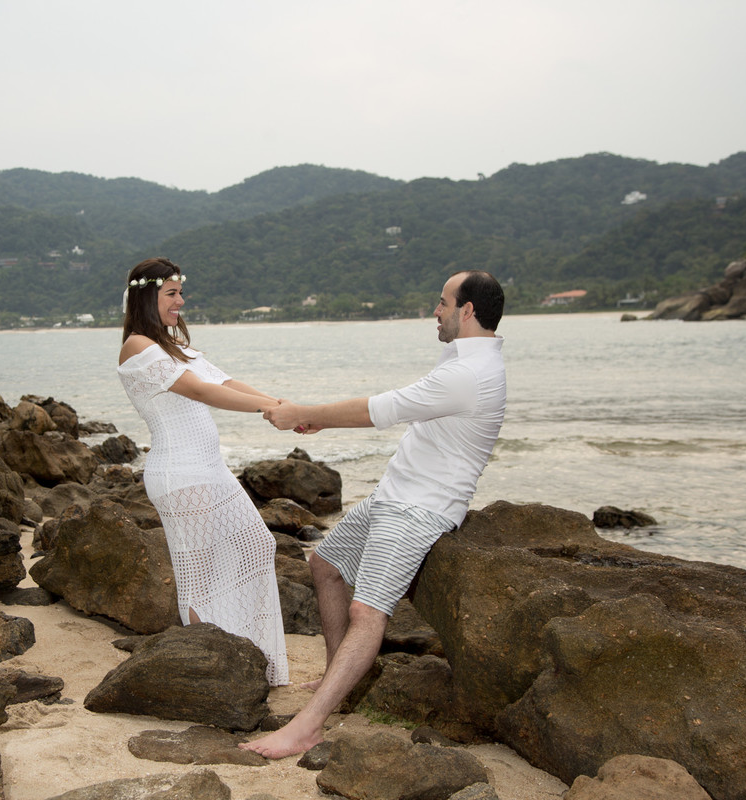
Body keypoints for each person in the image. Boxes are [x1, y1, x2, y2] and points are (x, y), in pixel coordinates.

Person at [240, 269, 506, 757]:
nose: (436, 311)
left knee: (368, 610)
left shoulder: (471, 374)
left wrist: (306, 413)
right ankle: (336, 679)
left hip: (421, 508)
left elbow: (384, 408)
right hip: (394, 494)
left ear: (468, 311)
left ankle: (308, 726)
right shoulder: (462, 358)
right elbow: (403, 407)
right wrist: (318, 420)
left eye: (443, 303)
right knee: (325, 564)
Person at [117, 257, 290, 685]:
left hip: (209, 470)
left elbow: (225, 383)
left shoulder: (173, 346)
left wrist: (284, 406)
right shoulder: (137, 346)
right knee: (200, 575)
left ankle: (245, 655)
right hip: (181, 475)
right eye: (171, 293)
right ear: (147, 297)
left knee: (258, 545)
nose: (181, 301)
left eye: (180, 292)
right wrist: (269, 409)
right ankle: (214, 669)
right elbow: (200, 391)